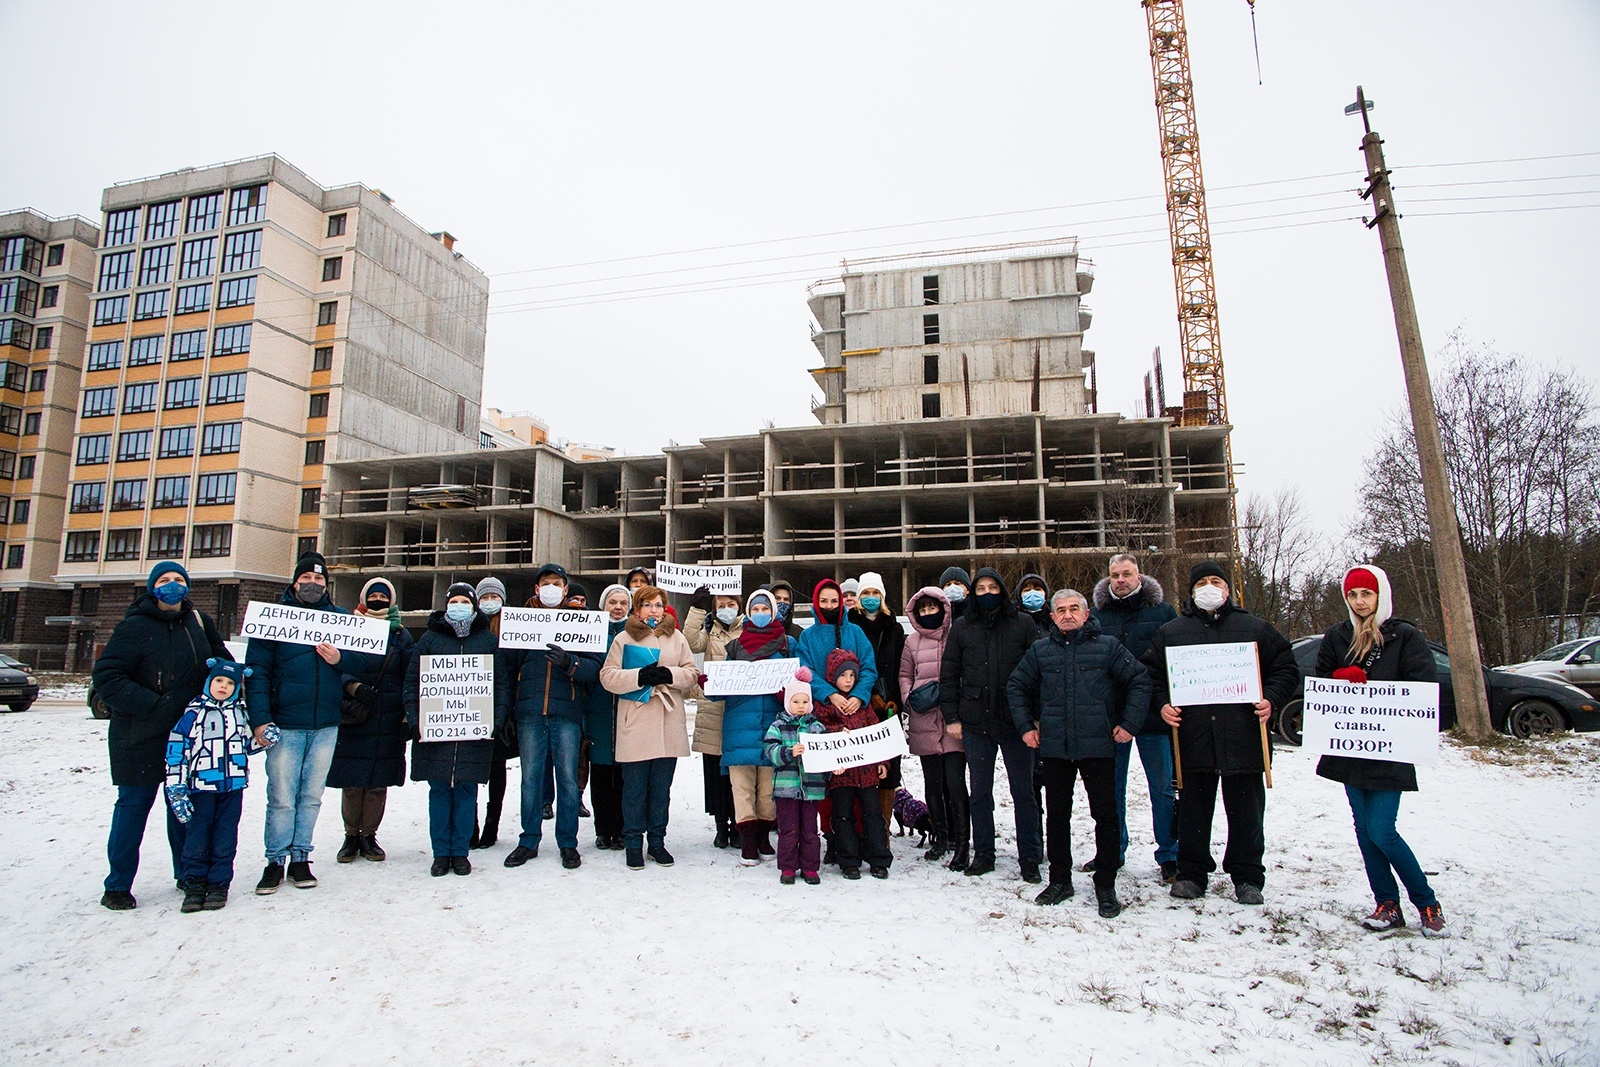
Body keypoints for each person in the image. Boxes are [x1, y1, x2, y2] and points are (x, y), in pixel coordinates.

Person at [1148, 562, 1301, 905]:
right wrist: (1162, 704)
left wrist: (1271, 699)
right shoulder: (1172, 632)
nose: (1208, 587)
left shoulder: (1255, 628)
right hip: (1193, 740)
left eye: (1216, 581)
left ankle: (1247, 876)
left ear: (1228, 589)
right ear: (1190, 591)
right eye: (1201, 582)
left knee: (1247, 812)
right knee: (1193, 812)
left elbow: (1286, 667)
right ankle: (1191, 873)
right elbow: (1152, 675)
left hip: (1243, 738)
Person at [1315, 565, 1447, 936]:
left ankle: (1426, 902)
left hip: (1391, 746)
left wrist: (1379, 689)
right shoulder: (1338, 636)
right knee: (1363, 829)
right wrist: (1338, 677)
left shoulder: (1404, 636)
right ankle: (1387, 902)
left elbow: (1422, 684)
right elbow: (1321, 679)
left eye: (1366, 594)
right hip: (1350, 747)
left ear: (1381, 595)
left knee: (1382, 829)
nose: (1359, 602)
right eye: (1353, 595)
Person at [93, 560, 232, 910]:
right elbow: (108, 677)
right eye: (165, 580)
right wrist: (152, 705)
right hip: (138, 736)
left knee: (183, 810)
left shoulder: (199, 623)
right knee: (133, 808)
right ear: (153, 587)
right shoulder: (133, 626)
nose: (173, 585)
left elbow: (223, 664)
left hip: (187, 740)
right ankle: (118, 885)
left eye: (179, 579)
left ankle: (187, 874)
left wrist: (225, 679)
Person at [1009, 590, 1152, 917]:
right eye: (1061, 610)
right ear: (1053, 616)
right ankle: (1060, 879)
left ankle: (1105, 883)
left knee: (1105, 814)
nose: (1068, 615)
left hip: (1098, 746)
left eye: (1074, 609)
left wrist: (1128, 724)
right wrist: (1026, 727)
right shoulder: (1040, 650)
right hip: (1056, 748)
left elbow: (1140, 681)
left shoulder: (1107, 647)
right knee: (1058, 816)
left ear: (1086, 614)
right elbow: (1016, 685)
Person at [245, 552, 373, 895]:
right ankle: (275, 861)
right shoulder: (275, 620)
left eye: (319, 580)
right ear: (295, 582)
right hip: (285, 724)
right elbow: (256, 673)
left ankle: (301, 857)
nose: (313, 585)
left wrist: (340, 658)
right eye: (306, 579)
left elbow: (364, 660)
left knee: (311, 796)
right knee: (282, 796)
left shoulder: (339, 618)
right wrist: (259, 720)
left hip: (325, 725)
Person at [939, 567, 1042, 880]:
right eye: (980, 588)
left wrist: (1034, 716)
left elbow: (1038, 674)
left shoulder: (1023, 623)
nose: (986, 593)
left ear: (1002, 589)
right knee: (980, 792)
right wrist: (952, 716)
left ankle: (1030, 856)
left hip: (1016, 721)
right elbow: (949, 673)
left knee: (1024, 791)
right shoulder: (962, 627)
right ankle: (984, 853)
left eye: (992, 587)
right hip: (975, 722)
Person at [499, 563, 600, 871]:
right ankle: (528, 840)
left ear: (566, 590)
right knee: (530, 781)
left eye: (558, 582)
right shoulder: (521, 622)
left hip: (566, 714)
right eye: (547, 583)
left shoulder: (581, 624)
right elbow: (506, 670)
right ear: (537, 589)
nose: (552, 587)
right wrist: (505, 713)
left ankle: (568, 843)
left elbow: (594, 668)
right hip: (529, 714)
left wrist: (570, 662)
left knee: (568, 781)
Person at [1090, 554, 1180, 883]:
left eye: (1126, 573)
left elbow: (1172, 663)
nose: (1120, 580)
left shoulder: (1163, 613)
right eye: (1115, 575)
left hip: (1155, 716)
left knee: (1162, 788)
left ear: (1139, 576)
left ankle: (1169, 854)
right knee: (1113, 790)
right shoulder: (1097, 616)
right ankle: (1113, 851)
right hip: (1112, 719)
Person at [404, 583, 505, 876]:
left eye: (465, 601)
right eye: (454, 601)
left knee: (465, 791)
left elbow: (500, 686)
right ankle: (440, 853)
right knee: (438, 791)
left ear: (473, 607)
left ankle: (460, 852)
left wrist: (495, 721)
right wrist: (414, 720)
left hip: (473, 732)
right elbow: (412, 683)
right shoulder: (429, 640)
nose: (459, 605)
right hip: (435, 733)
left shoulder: (487, 641)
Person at [599, 585, 697, 870]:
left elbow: (691, 673)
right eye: (647, 605)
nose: (653, 610)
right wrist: (639, 676)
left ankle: (656, 841)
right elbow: (608, 677)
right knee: (634, 789)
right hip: (637, 720)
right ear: (637, 609)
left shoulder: (676, 638)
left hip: (667, 722)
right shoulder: (624, 638)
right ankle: (633, 843)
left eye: (658, 605)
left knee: (660, 789)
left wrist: (670, 674)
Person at [165, 659, 273, 912]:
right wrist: (176, 788)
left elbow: (247, 745)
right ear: (209, 682)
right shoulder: (192, 714)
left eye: (229, 683)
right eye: (218, 681)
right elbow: (176, 751)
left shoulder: (240, 714)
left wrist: (264, 741)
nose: (223, 686)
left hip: (231, 788)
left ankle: (218, 885)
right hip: (199, 789)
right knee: (197, 838)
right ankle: (193, 884)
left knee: (225, 838)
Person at [329, 577, 414, 864]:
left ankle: (369, 835)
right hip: (356, 714)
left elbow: (410, 677)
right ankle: (350, 835)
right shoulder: (349, 627)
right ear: (364, 598)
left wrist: (405, 715)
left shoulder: (401, 635)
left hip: (387, 718)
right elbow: (335, 663)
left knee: (378, 783)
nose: (378, 599)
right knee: (352, 782)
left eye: (383, 595)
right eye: (373, 594)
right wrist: (354, 687)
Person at [899, 586, 968, 866]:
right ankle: (939, 835)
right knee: (933, 783)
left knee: (956, 782)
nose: (928, 613)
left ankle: (960, 837)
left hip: (954, 721)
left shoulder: (956, 636)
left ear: (943, 608)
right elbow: (904, 674)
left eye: (932, 608)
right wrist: (910, 698)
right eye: (923, 609)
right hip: (924, 718)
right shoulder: (912, 641)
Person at [721, 589, 790, 864]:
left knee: (768, 790)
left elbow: (798, 684)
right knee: (742, 788)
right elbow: (719, 689)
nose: (760, 614)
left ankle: (763, 836)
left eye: (765, 609)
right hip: (739, 726)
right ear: (748, 613)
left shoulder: (787, 644)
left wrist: (789, 691)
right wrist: (710, 683)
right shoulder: (735, 647)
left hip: (774, 726)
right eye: (756, 609)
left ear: (773, 612)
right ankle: (748, 841)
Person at [813, 650, 892, 879]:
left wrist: (882, 762)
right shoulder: (826, 707)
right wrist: (838, 732)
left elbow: (876, 734)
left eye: (851, 675)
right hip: (841, 773)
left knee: (873, 814)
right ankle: (848, 861)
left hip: (867, 772)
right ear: (831, 677)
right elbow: (819, 730)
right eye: (843, 675)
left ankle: (879, 859)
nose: (848, 680)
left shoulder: (864, 705)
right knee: (843, 815)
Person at [685, 585, 741, 849]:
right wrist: (697, 609)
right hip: (712, 711)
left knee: (737, 772)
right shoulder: (709, 630)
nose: (726, 610)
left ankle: (740, 823)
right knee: (715, 772)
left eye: (731, 604)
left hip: (739, 708)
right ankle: (721, 825)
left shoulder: (747, 629)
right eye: (721, 605)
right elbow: (690, 641)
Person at [762, 669, 829, 885]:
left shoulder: (817, 728)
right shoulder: (778, 726)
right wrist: (789, 752)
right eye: (796, 701)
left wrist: (834, 766)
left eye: (804, 701)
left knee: (810, 830)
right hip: (786, 788)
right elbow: (769, 750)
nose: (800, 705)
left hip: (812, 788)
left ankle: (810, 868)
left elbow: (827, 753)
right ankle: (788, 867)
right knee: (788, 830)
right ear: (787, 702)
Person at [849, 572, 904, 831]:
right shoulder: (850, 625)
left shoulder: (895, 627)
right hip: (859, 706)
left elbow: (901, 669)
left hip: (889, 709)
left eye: (875, 594)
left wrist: (895, 698)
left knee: (889, 770)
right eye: (865, 594)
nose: (870, 598)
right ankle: (860, 828)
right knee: (860, 768)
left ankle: (882, 830)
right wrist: (867, 693)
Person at [584, 584, 632, 850]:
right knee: (601, 776)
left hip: (627, 711)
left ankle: (623, 828)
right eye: (612, 602)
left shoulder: (635, 634)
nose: (617, 607)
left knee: (625, 776)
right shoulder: (591, 633)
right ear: (603, 605)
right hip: (598, 711)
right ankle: (603, 829)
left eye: (623, 603)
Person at [470, 576, 513, 848]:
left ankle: (491, 826)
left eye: (494, 597)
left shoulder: (514, 629)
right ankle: (470, 826)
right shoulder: (470, 628)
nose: (489, 602)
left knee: (497, 768)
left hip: (501, 708)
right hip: (470, 707)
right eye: (484, 597)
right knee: (471, 768)